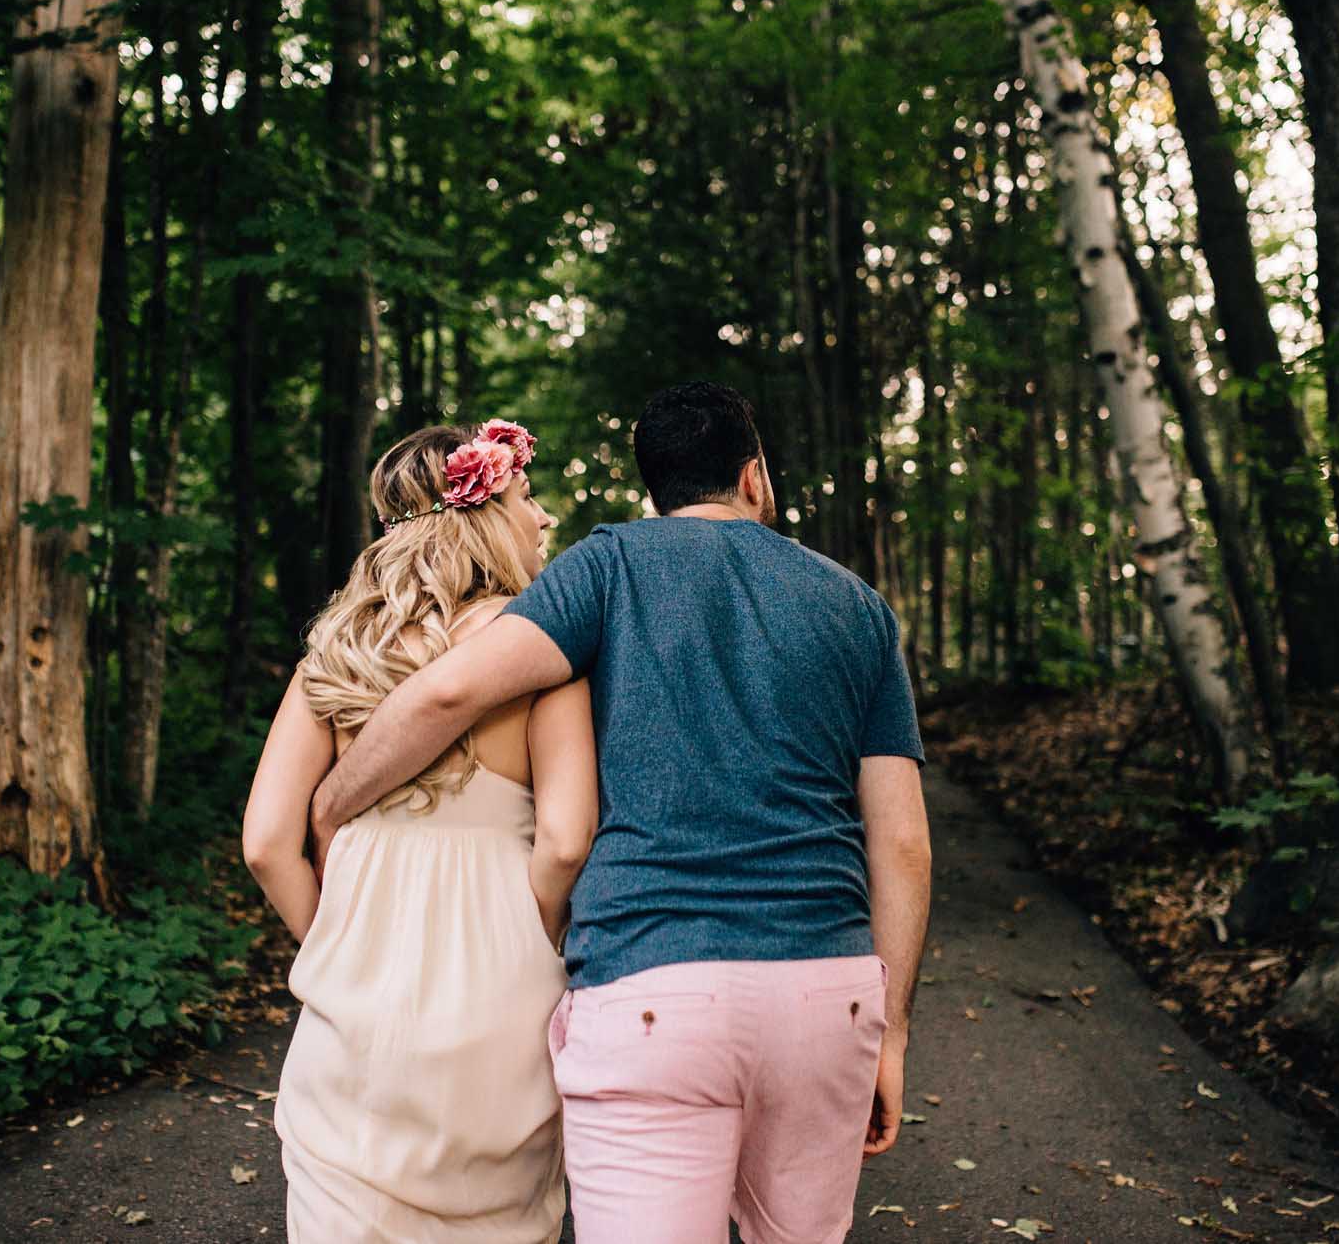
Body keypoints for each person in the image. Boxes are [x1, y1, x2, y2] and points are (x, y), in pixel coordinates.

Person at [309, 381, 934, 1244]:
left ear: (655, 492)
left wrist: (334, 800)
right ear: (755, 478)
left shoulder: (608, 566)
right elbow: (901, 841)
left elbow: (448, 690)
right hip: (824, 997)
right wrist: (890, 1034)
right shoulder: (857, 607)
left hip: (648, 987)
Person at [241, 420, 597, 1244]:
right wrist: (528, 932)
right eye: (525, 497)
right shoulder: (541, 652)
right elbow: (569, 837)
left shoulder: (336, 653)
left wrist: (330, 937)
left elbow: (265, 840)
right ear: (481, 513)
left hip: (357, 994)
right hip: (500, 997)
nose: (542, 518)